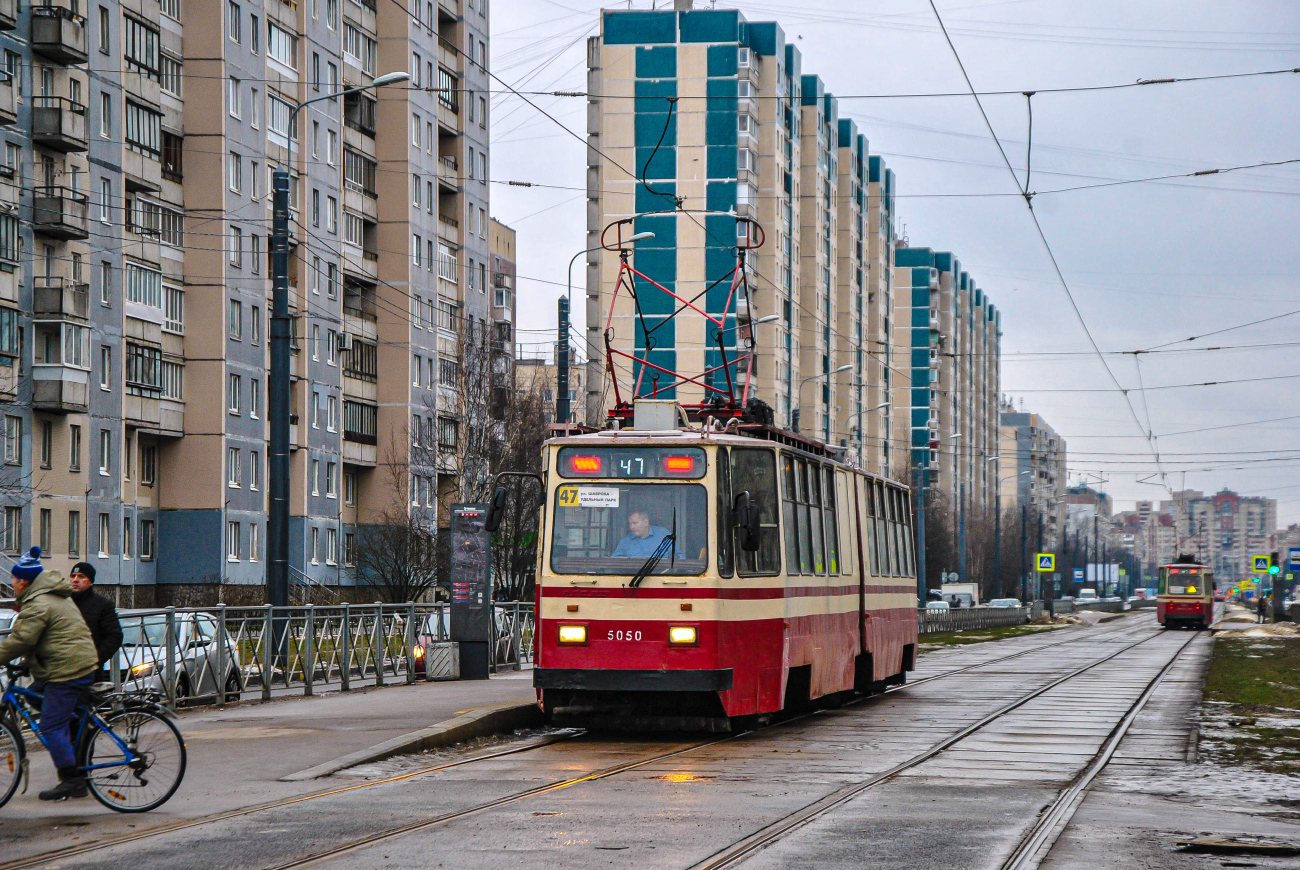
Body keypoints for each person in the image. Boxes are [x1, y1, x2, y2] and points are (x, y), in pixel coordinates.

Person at [0, 547, 100, 801]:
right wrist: (26, 663)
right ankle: (74, 731)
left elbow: (21, 638)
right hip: (70, 662)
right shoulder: (50, 595)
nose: (11, 584)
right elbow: (45, 637)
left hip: (68, 669)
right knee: (34, 696)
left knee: (50, 724)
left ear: (24, 582)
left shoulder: (39, 603)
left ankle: (72, 779)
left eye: (13, 579)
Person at [69, 562, 123, 682]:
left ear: (91, 581)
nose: (75, 580)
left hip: (89, 672)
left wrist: (95, 659)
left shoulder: (102, 605)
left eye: (81, 576)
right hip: (61, 669)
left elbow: (114, 636)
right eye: (73, 576)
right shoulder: (63, 602)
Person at [610, 510, 682, 559]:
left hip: (661, 578)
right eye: (630, 524)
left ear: (646, 522)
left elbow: (679, 558)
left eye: (635, 523)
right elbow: (614, 562)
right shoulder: (625, 541)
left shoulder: (664, 535)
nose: (631, 527)